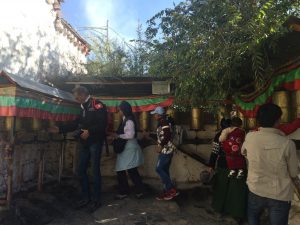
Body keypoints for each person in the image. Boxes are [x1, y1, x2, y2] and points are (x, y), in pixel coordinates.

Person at [48, 86, 107, 212]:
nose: (76, 99)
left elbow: (102, 124)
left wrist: (90, 131)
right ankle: (86, 197)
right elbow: (76, 123)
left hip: (95, 142)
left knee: (95, 171)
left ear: (82, 94)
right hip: (85, 143)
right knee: (81, 170)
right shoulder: (83, 107)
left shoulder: (97, 104)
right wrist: (60, 129)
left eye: (76, 97)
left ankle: (96, 200)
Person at [242, 103, 300, 225]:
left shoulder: (250, 137)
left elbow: (243, 152)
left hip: (255, 189)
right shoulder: (288, 144)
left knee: (253, 220)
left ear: (258, 120)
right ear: (278, 120)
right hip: (279, 194)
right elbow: (294, 172)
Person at [208, 117, 248, 222]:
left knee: (221, 187)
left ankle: (219, 210)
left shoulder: (219, 135)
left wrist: (211, 165)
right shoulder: (244, 134)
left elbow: (215, 151)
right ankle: (237, 213)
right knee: (237, 189)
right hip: (239, 164)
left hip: (223, 163)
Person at [111, 101, 144, 200]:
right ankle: (139, 191)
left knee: (122, 169)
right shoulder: (126, 119)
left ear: (124, 110)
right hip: (127, 148)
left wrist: (118, 135)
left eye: (120, 110)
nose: (119, 112)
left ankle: (125, 191)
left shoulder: (129, 121)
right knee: (131, 170)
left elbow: (130, 135)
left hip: (129, 148)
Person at [151, 106, 179, 201]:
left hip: (166, 149)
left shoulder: (164, 122)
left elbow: (167, 135)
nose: (154, 115)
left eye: (155, 114)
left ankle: (171, 189)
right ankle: (167, 192)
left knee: (159, 168)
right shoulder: (164, 121)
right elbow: (163, 135)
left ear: (159, 114)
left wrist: (161, 145)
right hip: (166, 149)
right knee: (165, 170)